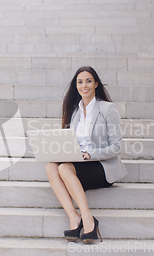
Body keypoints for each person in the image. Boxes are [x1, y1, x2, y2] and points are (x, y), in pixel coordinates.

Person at [45, 66, 127, 244]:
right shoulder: (74, 111)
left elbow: (116, 147)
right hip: (79, 161)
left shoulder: (107, 109)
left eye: (89, 81)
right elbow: (70, 141)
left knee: (65, 169)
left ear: (96, 83)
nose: (84, 85)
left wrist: (90, 154)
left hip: (102, 166)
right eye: (80, 82)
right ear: (76, 86)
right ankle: (74, 217)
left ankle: (88, 218)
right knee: (51, 166)